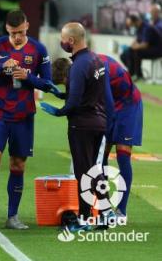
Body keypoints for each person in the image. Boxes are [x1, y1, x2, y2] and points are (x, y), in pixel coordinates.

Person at [0, 10, 53, 230]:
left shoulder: (38, 49)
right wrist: (0, 67)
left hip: (24, 115)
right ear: (6, 29)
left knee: (18, 165)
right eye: (12, 32)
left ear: (27, 25)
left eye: (20, 32)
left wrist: (29, 78)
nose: (17, 37)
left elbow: (48, 84)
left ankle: (13, 216)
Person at [51, 52, 142, 222]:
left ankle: (121, 211)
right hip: (108, 105)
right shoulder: (80, 68)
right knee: (101, 157)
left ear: (67, 74)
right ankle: (103, 207)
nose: (67, 85)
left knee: (123, 155)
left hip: (128, 104)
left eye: (65, 82)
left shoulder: (93, 65)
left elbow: (103, 95)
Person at [40, 22, 111, 229]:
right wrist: (61, 93)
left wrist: (59, 111)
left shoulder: (78, 66)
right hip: (99, 122)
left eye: (63, 39)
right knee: (95, 170)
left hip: (81, 125)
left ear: (71, 40)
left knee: (83, 173)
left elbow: (74, 103)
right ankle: (105, 213)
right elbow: (88, 93)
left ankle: (84, 218)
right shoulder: (96, 60)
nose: (62, 43)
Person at [120, 14, 162, 80]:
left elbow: (145, 45)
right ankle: (132, 72)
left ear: (135, 21)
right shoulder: (138, 29)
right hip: (147, 49)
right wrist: (131, 47)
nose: (131, 27)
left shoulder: (147, 28)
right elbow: (136, 41)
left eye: (131, 25)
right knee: (124, 54)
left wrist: (134, 47)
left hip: (157, 50)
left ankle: (138, 75)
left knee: (136, 52)